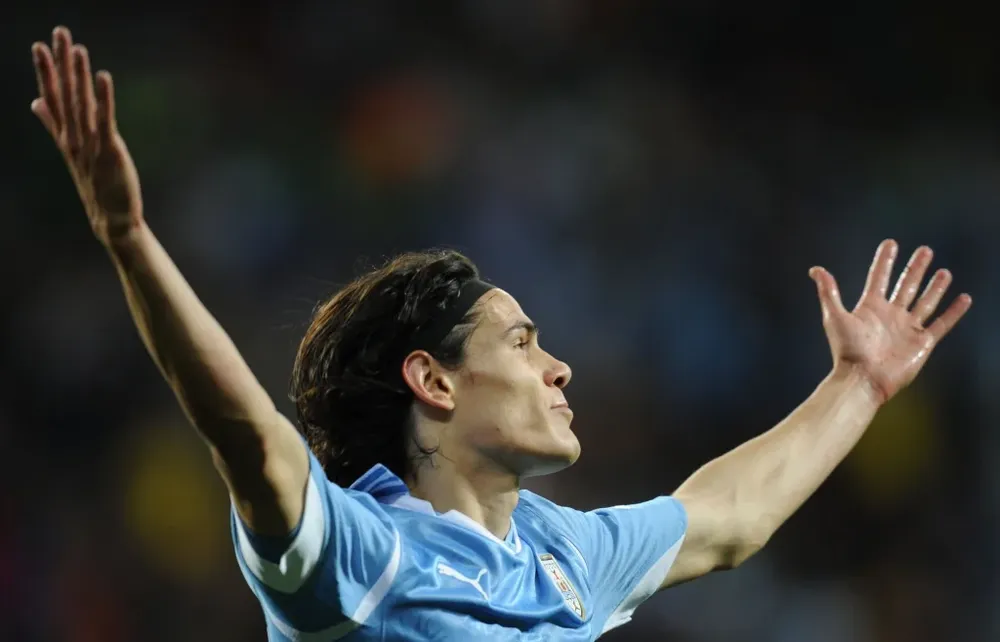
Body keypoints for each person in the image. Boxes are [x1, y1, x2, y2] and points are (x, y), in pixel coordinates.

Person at [30, 26, 972, 641]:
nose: (559, 367)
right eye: (521, 343)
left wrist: (859, 384)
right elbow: (244, 429)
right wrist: (131, 240)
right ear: (433, 384)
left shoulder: (564, 561)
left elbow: (728, 519)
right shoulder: (358, 557)